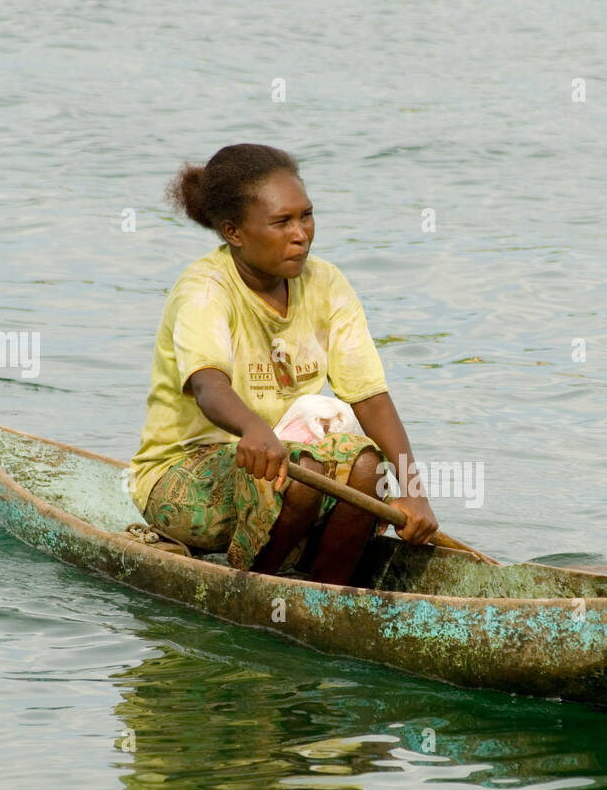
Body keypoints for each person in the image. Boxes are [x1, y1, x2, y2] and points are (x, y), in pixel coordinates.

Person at [128, 143, 438, 584]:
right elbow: (209, 386)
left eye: (306, 215)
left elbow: (371, 399)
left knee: (367, 465)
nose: (302, 234)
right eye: (282, 222)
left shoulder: (327, 283)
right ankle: (255, 583)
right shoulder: (205, 289)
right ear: (234, 232)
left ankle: (324, 592)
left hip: (290, 467)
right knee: (306, 471)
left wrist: (414, 493)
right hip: (184, 471)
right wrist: (254, 429)